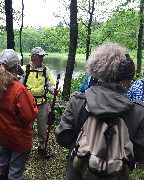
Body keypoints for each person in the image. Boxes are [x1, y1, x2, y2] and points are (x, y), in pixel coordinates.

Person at [55, 43, 144, 180]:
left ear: (98, 71)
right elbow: (139, 150)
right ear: (127, 79)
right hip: (116, 175)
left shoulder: (78, 102)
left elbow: (62, 136)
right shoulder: (138, 111)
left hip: (79, 172)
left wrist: (85, 148)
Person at [0, 49, 38, 179]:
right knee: (15, 171)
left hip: (2, 134)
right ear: (16, 66)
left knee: (1, 165)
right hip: (18, 138)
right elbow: (29, 116)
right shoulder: (18, 89)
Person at [20, 47, 55, 159]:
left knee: (42, 128)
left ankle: (41, 148)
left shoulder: (46, 70)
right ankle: (25, 148)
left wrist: (55, 91)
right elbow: (18, 86)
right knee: (26, 126)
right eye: (40, 56)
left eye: (42, 56)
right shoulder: (24, 69)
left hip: (42, 103)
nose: (42, 58)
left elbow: (50, 86)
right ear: (33, 57)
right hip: (28, 103)